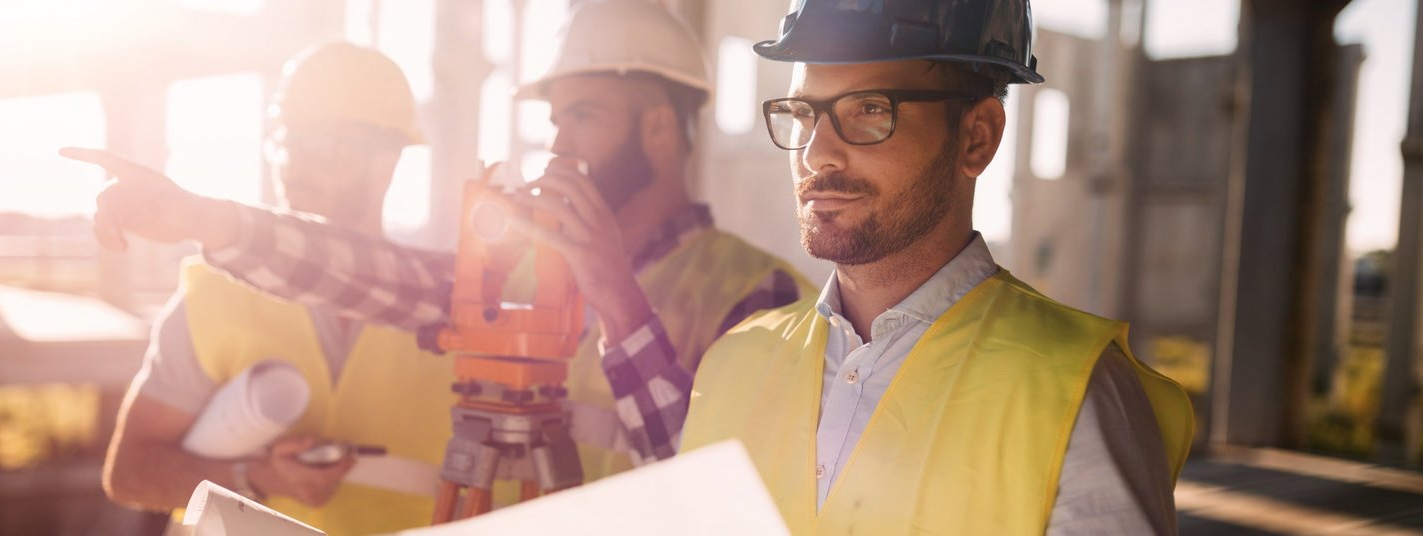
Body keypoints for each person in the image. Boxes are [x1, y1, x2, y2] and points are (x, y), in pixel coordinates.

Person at [69, 0, 813, 495]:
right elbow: (370, 275)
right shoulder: (527, 270)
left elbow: (743, 489)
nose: (557, 144)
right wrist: (204, 218)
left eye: (580, 116)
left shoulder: (759, 295)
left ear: (657, 127)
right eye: (553, 120)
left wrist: (614, 293)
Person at [676, 1, 1195, 535]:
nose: (816, 154)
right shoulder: (733, 363)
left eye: (870, 110)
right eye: (804, 114)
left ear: (978, 137)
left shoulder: (1076, 395)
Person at [98, 43, 454, 535]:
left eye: (327, 147)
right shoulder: (213, 294)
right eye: (287, 144)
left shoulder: (452, 308)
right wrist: (255, 476)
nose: (295, 166)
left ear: (386, 162)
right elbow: (130, 473)